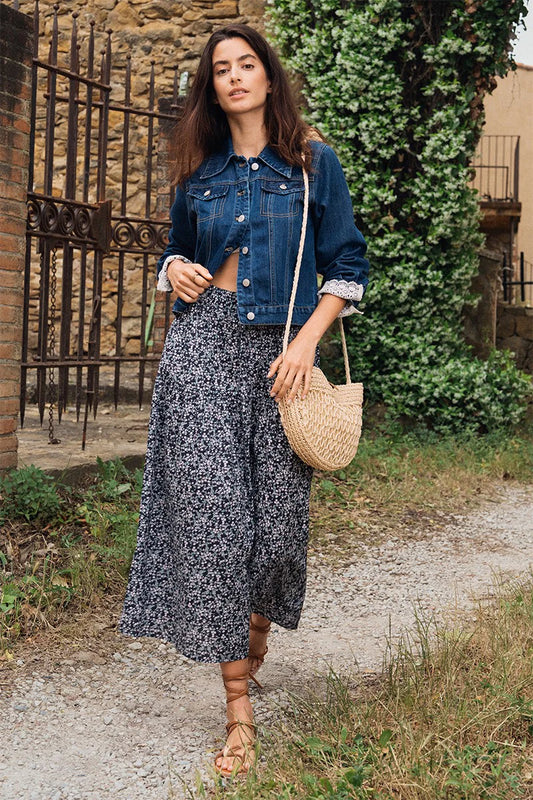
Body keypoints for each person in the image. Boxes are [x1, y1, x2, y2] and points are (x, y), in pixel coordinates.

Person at [119, 23, 370, 779]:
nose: (233, 78)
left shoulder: (311, 166)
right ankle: (238, 716)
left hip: (280, 359)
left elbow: (347, 262)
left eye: (245, 65)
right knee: (218, 529)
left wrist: (304, 343)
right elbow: (172, 250)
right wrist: (176, 269)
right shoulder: (197, 175)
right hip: (200, 354)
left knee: (274, 535)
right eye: (220, 69)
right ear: (211, 86)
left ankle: (252, 641)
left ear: (268, 78)